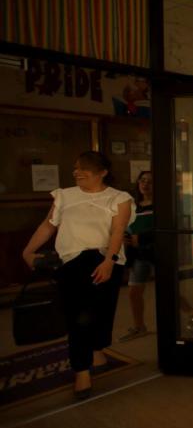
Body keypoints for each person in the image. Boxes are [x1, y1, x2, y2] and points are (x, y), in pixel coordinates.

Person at [21, 151, 132, 400]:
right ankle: (81, 369)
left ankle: (97, 347)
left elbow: (117, 231)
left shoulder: (119, 198)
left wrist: (109, 261)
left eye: (85, 169)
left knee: (102, 312)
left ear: (102, 172)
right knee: (77, 316)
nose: (78, 173)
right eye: (76, 168)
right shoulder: (64, 195)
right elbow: (48, 225)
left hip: (105, 260)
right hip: (71, 262)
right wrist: (28, 250)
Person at [120, 170, 154, 341]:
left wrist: (141, 237)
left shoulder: (162, 204)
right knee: (134, 292)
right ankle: (139, 326)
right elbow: (125, 226)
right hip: (138, 254)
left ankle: (192, 315)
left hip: (157, 253)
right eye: (142, 180)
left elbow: (163, 229)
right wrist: (125, 238)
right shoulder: (133, 205)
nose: (145, 184)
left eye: (149, 181)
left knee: (172, 291)